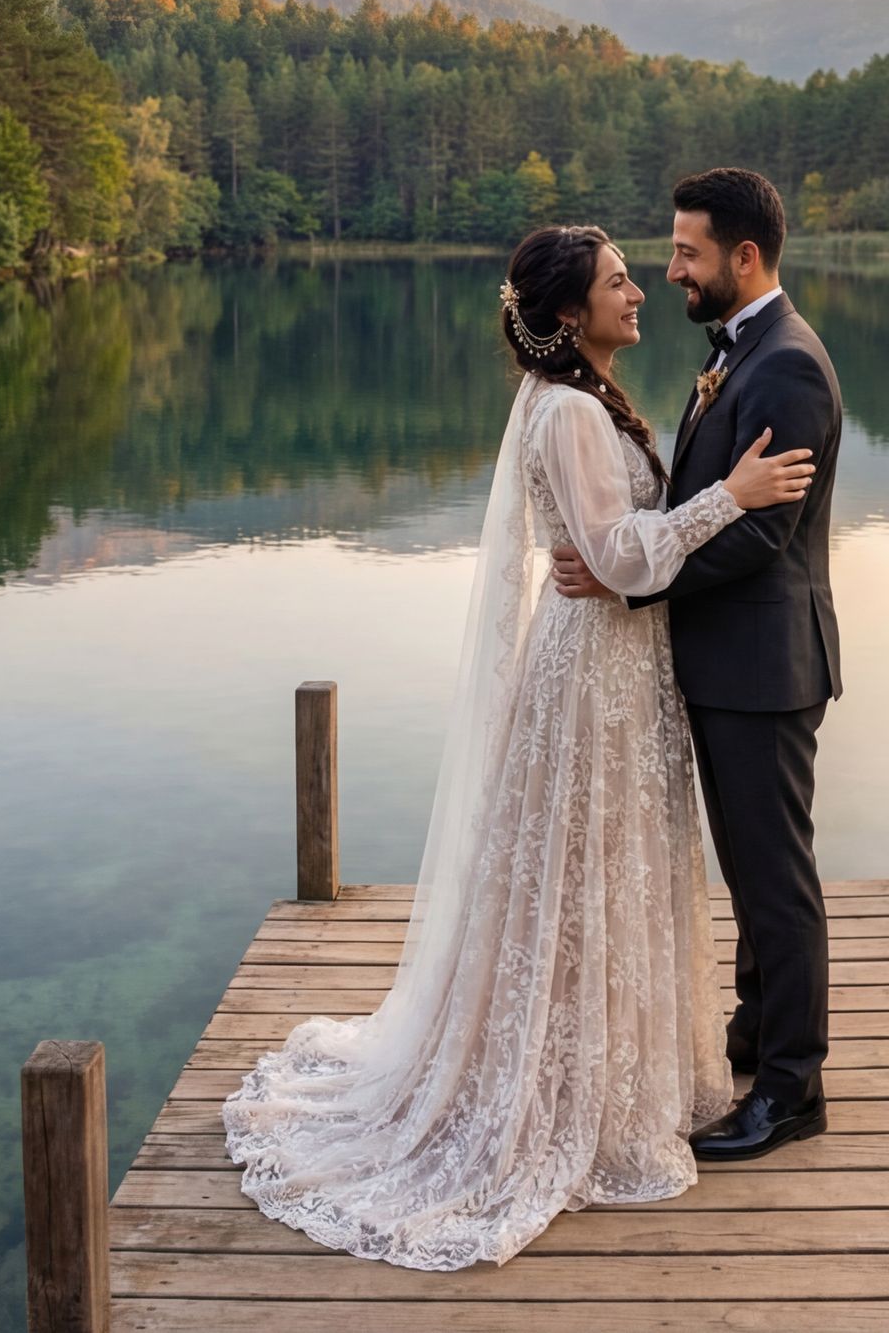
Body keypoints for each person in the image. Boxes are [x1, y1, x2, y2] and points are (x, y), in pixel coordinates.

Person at [221, 223, 817, 1270]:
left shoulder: (577, 396)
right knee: (587, 865)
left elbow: (613, 546)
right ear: (568, 314)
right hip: (595, 672)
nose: (641, 289)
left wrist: (646, 527)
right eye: (618, 281)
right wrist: (731, 495)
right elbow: (620, 555)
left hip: (608, 658)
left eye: (642, 272)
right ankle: (566, 1084)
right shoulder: (572, 411)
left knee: (586, 866)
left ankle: (601, 1060)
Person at [552, 166, 845, 1164]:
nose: (671, 270)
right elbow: (708, 501)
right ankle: (757, 1035)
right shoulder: (739, 351)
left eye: (687, 253)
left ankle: (793, 1090)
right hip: (728, 664)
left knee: (777, 882)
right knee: (752, 874)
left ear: (743, 257)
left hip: (766, 666)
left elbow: (762, 535)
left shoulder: (787, 366)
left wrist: (628, 582)